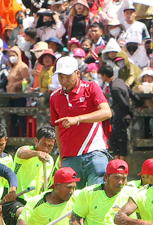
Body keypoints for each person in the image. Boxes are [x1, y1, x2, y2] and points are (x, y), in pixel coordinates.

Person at [48, 56, 112, 188]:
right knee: (72, 198)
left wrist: (77, 119)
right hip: (70, 156)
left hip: (95, 151)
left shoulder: (91, 87)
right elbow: (58, 129)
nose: (64, 81)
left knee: (96, 194)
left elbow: (107, 112)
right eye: (60, 77)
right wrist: (62, 156)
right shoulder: (54, 97)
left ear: (78, 73)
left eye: (67, 76)